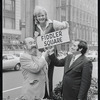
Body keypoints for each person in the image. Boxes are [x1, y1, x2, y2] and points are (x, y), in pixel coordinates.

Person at [33, 6, 69, 99]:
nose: (41, 17)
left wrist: (65, 24)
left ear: (46, 15)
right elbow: (36, 43)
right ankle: (43, 94)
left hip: (50, 54)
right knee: (40, 75)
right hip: (41, 54)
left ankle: (49, 96)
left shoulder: (53, 23)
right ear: (36, 17)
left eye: (42, 15)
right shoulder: (36, 26)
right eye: (38, 16)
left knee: (48, 75)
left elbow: (64, 26)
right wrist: (35, 37)